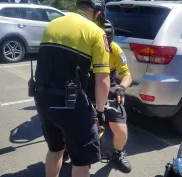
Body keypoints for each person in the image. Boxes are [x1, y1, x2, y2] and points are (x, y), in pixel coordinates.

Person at [33, 0, 111, 176]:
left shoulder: (53, 24)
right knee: (82, 160)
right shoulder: (96, 32)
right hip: (70, 103)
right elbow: (103, 79)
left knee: (55, 149)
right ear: (97, 14)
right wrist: (100, 111)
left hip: (42, 99)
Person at [63, 20, 133, 173]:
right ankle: (68, 148)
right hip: (84, 89)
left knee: (121, 129)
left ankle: (118, 153)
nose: (103, 46)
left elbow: (127, 75)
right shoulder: (82, 48)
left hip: (108, 89)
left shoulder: (115, 50)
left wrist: (122, 87)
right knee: (71, 125)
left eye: (107, 41)